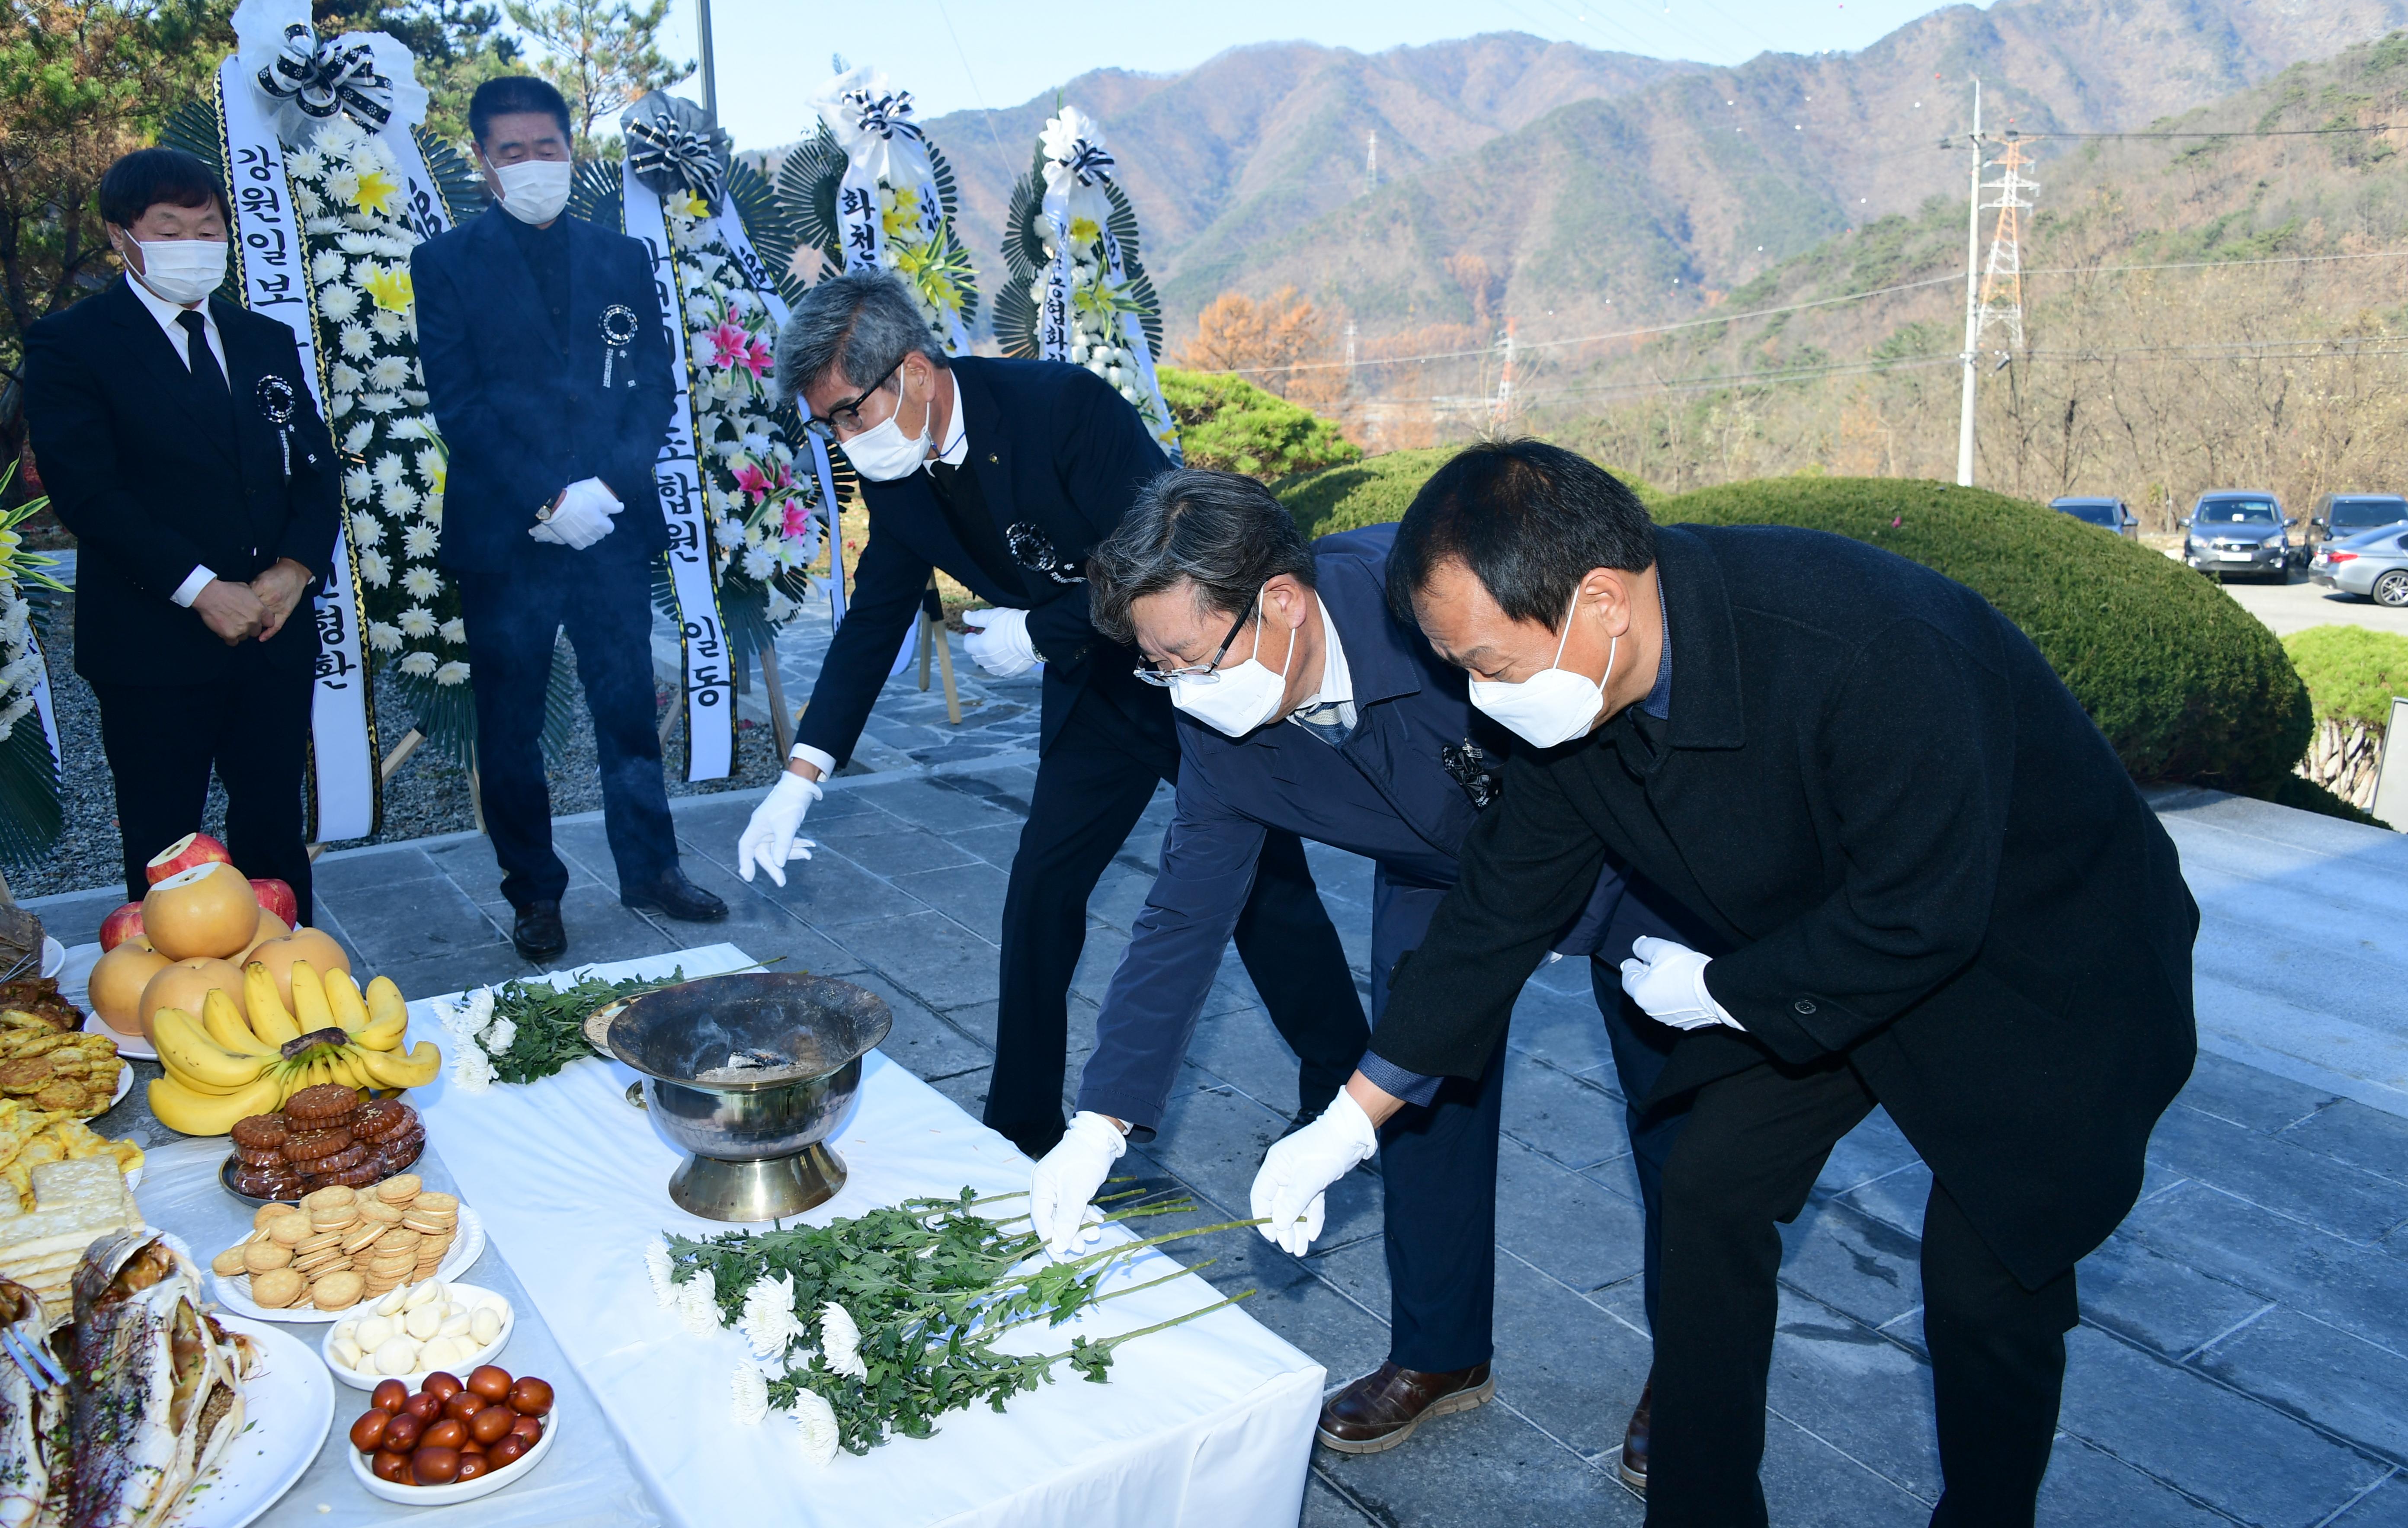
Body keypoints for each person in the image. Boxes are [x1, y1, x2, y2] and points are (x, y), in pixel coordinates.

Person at [1251, 441, 2200, 1526]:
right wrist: (1351, 1120)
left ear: (1599, 600)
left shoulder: (1870, 644)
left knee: (1987, 1284)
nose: (1478, 698)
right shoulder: (1579, 698)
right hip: (1818, 949)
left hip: (2039, 962)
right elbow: (1491, 916)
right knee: (1711, 1184)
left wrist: (1729, 988)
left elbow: (1925, 915)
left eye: (1488, 665)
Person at [1026, 469, 1690, 1477]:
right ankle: (1440, 1348)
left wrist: (1580, 911)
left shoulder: (1429, 602)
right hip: (1433, 875)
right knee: (1413, 1107)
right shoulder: (1213, 711)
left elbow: (1608, 719)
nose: (1182, 687)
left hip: (1618, 846)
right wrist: (1100, 1120)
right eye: (1158, 668)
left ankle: (1693, 1367)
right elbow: (1183, 914)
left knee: (1677, 1115)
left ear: (1281, 603)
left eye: (1188, 656)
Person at [736, 272, 1366, 1158]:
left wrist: (1040, 627)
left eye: (848, 412)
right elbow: (878, 610)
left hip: (1192, 678)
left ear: (914, 373)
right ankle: (1022, 1125)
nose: (843, 438)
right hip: (1096, 692)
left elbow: (1168, 570)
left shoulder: (1064, 409)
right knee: (1041, 891)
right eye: (827, 424)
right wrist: (801, 777)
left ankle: (1343, 1082)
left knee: (1265, 885)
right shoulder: (902, 469)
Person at [414, 76, 725, 961]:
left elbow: (654, 385)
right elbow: (460, 405)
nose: (533, 163)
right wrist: (549, 496)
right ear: (483, 162)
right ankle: (536, 893)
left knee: (627, 707)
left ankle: (652, 869)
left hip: (612, 529)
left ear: (570, 149)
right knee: (512, 726)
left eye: (547, 146)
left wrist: (605, 491)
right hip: (506, 531)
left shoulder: (621, 258)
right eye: (511, 151)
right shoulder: (445, 264)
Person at [26, 147, 338, 918]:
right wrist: (202, 590)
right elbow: (88, 493)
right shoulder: (74, 344)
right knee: (167, 843)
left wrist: (297, 567)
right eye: (169, 226)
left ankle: (290, 981)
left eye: (208, 225)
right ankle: (182, 1001)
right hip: (153, 639)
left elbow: (315, 465)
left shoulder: (261, 337)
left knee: (272, 824)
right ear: (120, 237)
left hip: (272, 631)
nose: (194, 243)